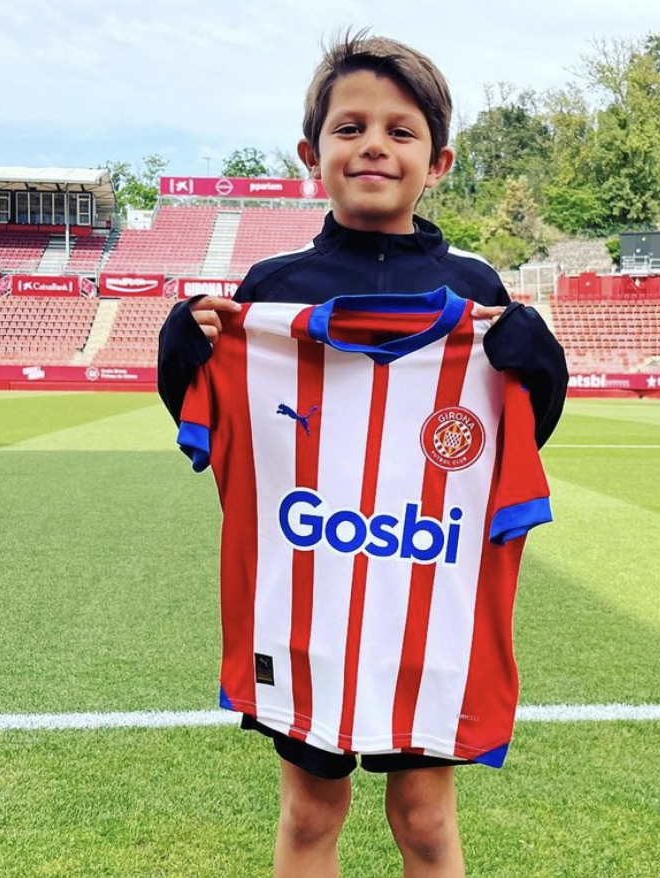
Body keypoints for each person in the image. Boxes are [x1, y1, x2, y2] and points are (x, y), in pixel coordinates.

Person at [158, 31, 567, 878]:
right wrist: (180, 356)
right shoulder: (268, 292)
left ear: (438, 162)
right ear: (311, 154)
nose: (373, 144)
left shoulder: (478, 289)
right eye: (349, 128)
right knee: (311, 813)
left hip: (428, 600)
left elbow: (516, 441)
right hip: (305, 602)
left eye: (399, 130)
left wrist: (543, 366)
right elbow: (224, 435)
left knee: (425, 819)